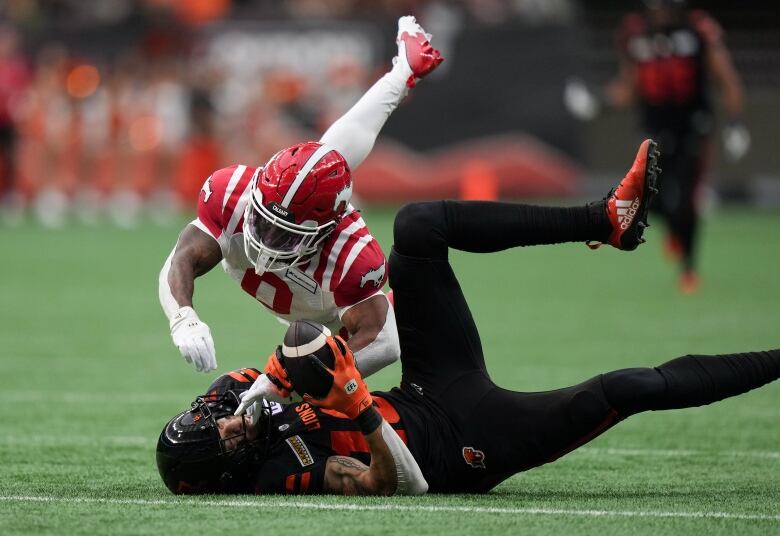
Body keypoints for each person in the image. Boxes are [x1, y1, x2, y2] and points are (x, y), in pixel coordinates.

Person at [156, 140, 777, 496]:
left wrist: (289, 369)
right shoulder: (273, 472)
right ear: (231, 468)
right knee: (627, 389)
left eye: (209, 421)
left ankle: (603, 218)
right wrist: (356, 404)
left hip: (431, 381)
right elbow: (398, 484)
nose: (227, 424)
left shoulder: (229, 399)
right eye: (224, 440)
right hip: (458, 446)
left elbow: (298, 355)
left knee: (418, 225)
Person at [158, 17, 443, 405]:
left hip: (328, 315)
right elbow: (181, 257)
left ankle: (403, 72)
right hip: (303, 281)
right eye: (263, 220)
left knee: (393, 330)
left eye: (286, 233)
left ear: (328, 229)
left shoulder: (351, 254)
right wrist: (183, 319)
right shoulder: (233, 195)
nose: (266, 239)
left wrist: (291, 384)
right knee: (323, 162)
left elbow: (382, 343)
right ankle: (403, 71)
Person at [565, 0, 748, 293]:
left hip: (692, 127)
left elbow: (726, 78)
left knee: (687, 199)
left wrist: (735, 122)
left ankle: (689, 268)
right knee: (653, 200)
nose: (659, 13)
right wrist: (597, 102)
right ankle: (676, 234)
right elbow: (628, 87)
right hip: (654, 130)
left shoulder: (699, 29)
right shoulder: (635, 32)